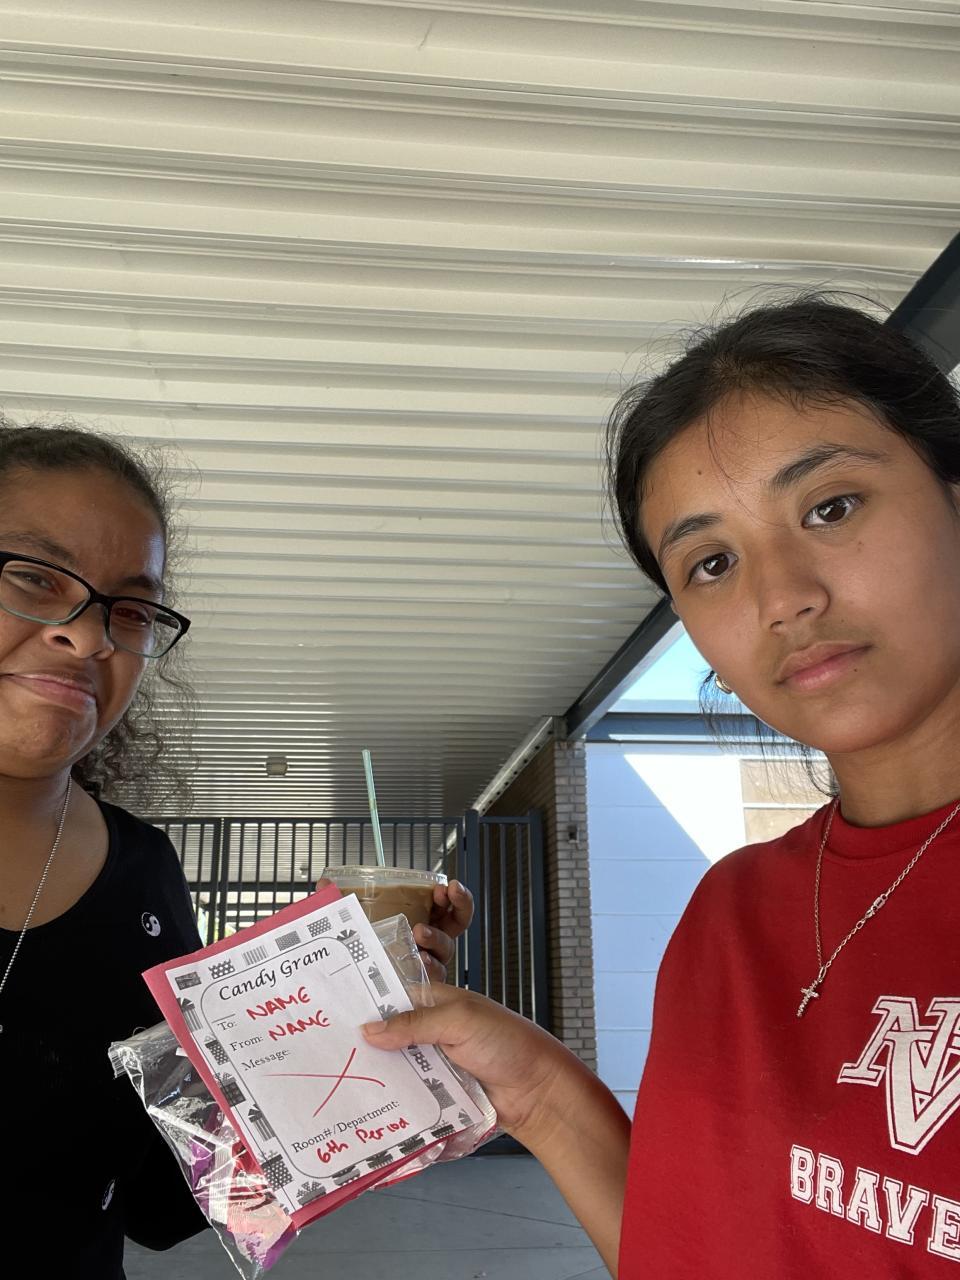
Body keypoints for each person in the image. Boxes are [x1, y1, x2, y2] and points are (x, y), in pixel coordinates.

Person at [363, 296, 960, 1278]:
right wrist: (535, 1086)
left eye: (831, 507)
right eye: (712, 562)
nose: (782, 597)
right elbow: (689, 1250)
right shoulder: (729, 912)